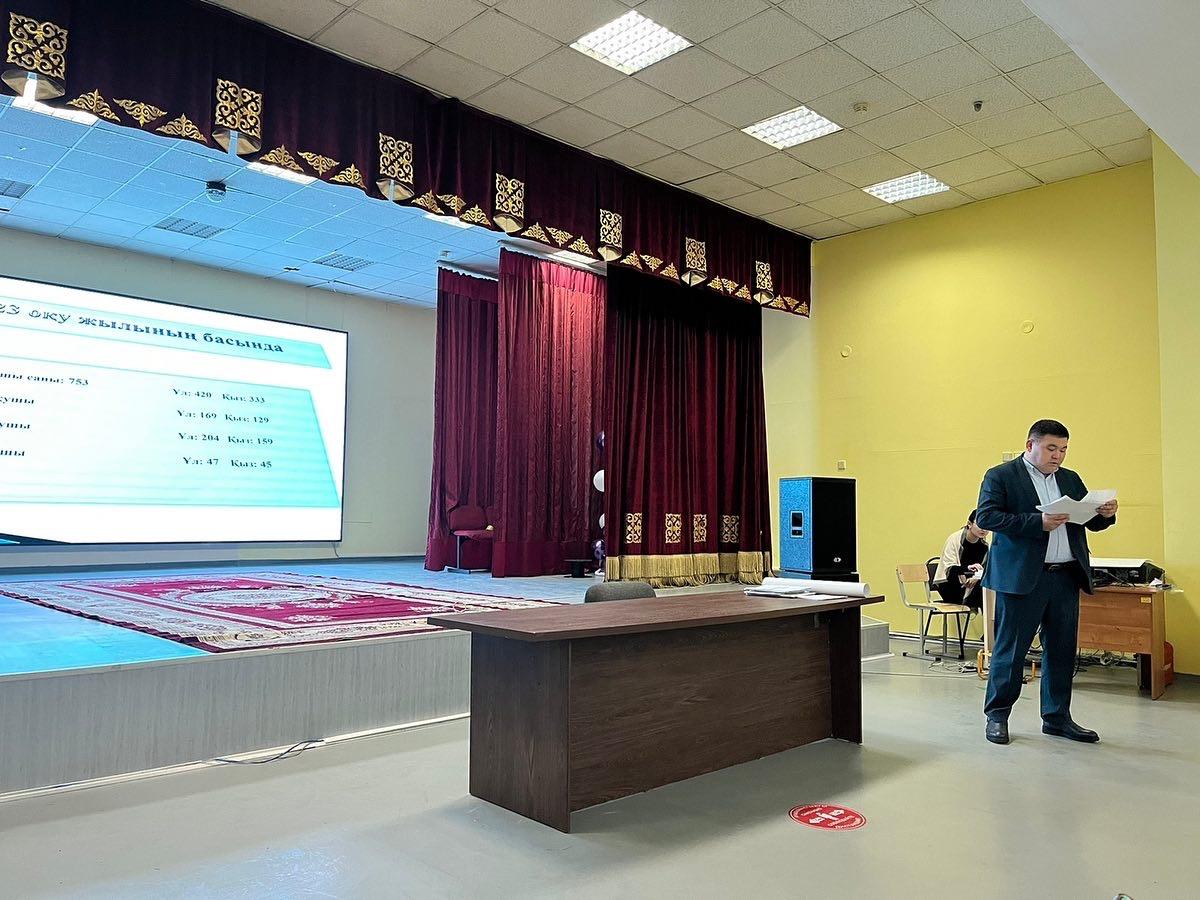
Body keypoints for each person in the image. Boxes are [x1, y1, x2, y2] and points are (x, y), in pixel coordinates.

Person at [976, 419, 1117, 746]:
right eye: (1052, 448)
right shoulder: (1001, 476)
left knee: (1062, 650)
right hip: (1024, 578)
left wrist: (1105, 514)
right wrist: (1036, 522)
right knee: (1011, 651)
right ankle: (997, 715)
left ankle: (1056, 717)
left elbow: (1088, 521)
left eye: (1064, 449)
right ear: (1031, 445)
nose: (1058, 456)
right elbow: (987, 517)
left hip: (1065, 575)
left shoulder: (1070, 478)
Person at [932, 510, 989, 608]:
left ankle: (991, 617)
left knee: (990, 589)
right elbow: (949, 570)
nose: (983, 529)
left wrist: (977, 577)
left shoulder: (985, 545)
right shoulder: (955, 539)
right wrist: (967, 568)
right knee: (984, 593)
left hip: (973, 584)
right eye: (980, 524)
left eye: (987, 525)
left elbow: (986, 569)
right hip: (950, 585)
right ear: (969, 524)